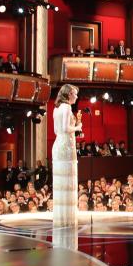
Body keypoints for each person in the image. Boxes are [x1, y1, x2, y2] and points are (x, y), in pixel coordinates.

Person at [52, 84, 82, 227]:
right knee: (67, 181)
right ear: (69, 94)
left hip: (59, 144)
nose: (76, 97)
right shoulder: (66, 108)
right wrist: (78, 127)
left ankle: (62, 218)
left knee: (62, 183)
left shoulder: (57, 108)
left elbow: (56, 130)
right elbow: (65, 129)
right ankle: (68, 220)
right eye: (75, 94)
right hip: (66, 146)